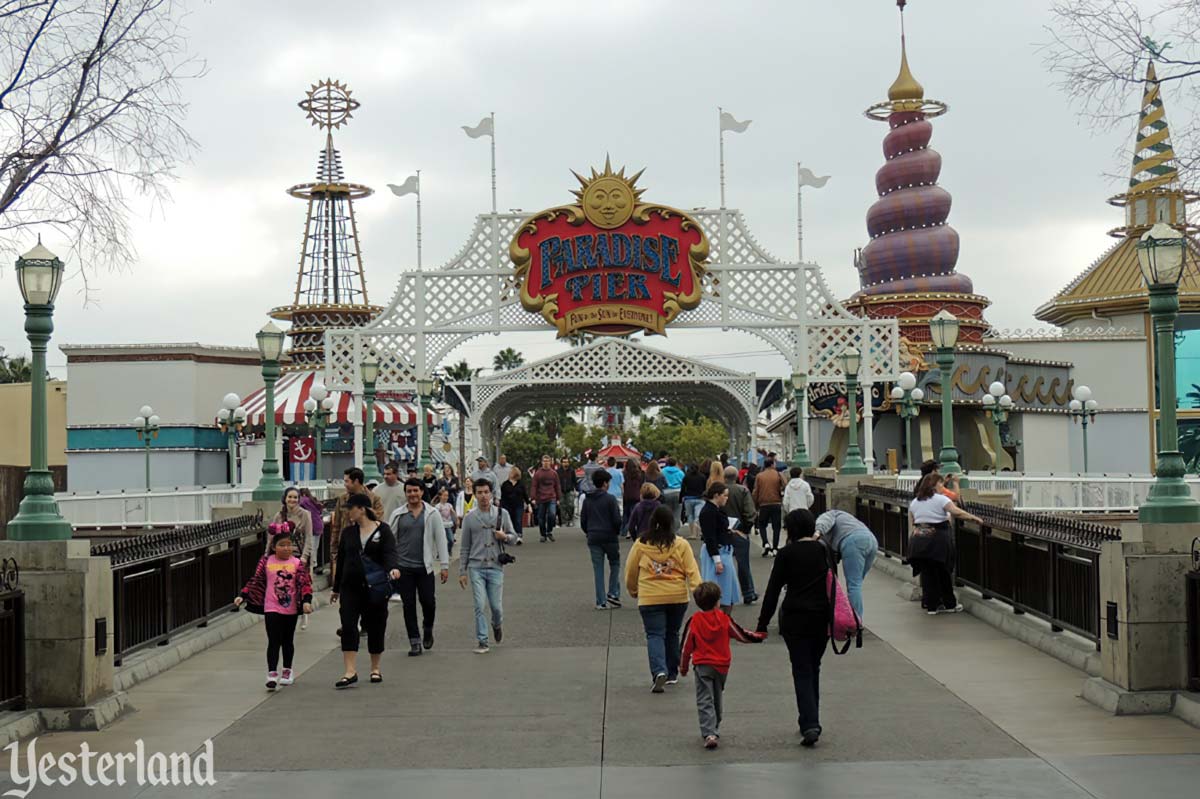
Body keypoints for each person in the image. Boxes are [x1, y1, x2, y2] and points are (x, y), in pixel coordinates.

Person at [755, 509, 832, 747]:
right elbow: (834, 584)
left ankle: (809, 723)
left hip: (795, 617)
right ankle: (811, 718)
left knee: (801, 669)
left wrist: (762, 624)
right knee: (814, 666)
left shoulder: (786, 554)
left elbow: (773, 589)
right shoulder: (824, 551)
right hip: (821, 616)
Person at [625, 505, 702, 693]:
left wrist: (633, 590)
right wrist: (698, 592)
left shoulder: (641, 544)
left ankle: (659, 671)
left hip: (650, 595)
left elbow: (631, 570)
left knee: (654, 634)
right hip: (676, 595)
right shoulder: (681, 544)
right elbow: (692, 570)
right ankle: (672, 672)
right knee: (672, 633)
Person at [680, 581, 764, 748]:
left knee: (704, 698)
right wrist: (758, 636)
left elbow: (686, 646)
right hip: (722, 665)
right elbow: (740, 634)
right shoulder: (724, 619)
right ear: (718, 601)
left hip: (703, 664)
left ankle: (709, 732)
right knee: (717, 697)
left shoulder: (695, 621)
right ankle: (715, 725)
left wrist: (683, 666)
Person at [331, 492, 400, 687]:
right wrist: (336, 588)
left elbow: (390, 553)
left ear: (362, 509)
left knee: (376, 625)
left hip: (375, 587)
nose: (348, 514)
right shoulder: (348, 533)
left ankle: (375, 668)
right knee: (349, 626)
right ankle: (350, 671)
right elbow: (342, 560)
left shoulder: (383, 530)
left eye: (350, 509)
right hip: (350, 587)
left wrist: (393, 568)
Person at [235, 524, 313, 690]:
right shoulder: (266, 562)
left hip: (290, 608)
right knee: (273, 640)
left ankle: (287, 670)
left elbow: (305, 584)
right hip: (271, 607)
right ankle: (271, 673)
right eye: (282, 545)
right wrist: (243, 595)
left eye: (289, 545)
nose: (286, 548)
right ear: (273, 547)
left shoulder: (298, 563)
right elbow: (256, 580)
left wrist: (306, 601)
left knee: (287, 640)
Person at [386, 477, 450, 656]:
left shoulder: (431, 513)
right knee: (408, 605)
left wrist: (444, 565)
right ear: (405, 493)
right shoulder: (398, 514)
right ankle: (414, 641)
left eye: (416, 491)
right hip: (403, 567)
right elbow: (389, 539)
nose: (412, 494)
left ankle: (427, 628)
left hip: (425, 567)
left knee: (428, 602)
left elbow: (441, 539)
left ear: (422, 492)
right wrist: (389, 563)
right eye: (409, 491)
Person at [457, 479, 518, 654]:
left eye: (486, 492)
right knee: (479, 604)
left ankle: (496, 624)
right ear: (475, 495)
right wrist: (462, 571)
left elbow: (514, 538)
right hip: (476, 566)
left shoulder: (501, 514)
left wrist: (504, 536)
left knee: (496, 607)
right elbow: (464, 547)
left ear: (491, 493)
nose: (483, 496)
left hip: (495, 566)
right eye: (480, 492)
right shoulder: (469, 518)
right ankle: (482, 640)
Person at [908, 473, 981, 615]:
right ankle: (949, 604)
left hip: (919, 540)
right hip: (937, 539)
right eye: (941, 484)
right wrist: (974, 518)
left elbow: (912, 521)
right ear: (934, 485)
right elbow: (956, 512)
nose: (942, 487)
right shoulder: (940, 499)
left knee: (928, 573)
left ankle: (931, 606)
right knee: (943, 571)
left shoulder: (915, 501)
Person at [814, 509, 879, 620]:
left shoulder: (830, 514)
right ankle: (853, 615)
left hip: (852, 541)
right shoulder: (847, 518)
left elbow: (824, 521)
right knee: (857, 583)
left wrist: (816, 535)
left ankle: (856, 621)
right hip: (871, 541)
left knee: (854, 585)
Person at [329, 467, 385, 588]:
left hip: (367, 551)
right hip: (347, 550)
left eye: (347, 481)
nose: (345, 485)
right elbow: (336, 526)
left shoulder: (374, 499)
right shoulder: (342, 499)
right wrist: (334, 551)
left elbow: (378, 522)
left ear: (356, 481)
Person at [581, 469, 623, 610]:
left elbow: (583, 521)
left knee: (598, 569)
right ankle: (613, 592)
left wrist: (589, 531)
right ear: (605, 483)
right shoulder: (610, 499)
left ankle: (600, 601)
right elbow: (617, 520)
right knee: (615, 564)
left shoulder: (587, 500)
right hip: (609, 536)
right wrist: (616, 531)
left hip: (593, 536)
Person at [698, 483, 741, 611]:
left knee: (728, 593)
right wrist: (717, 561)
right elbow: (710, 537)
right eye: (725, 496)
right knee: (717, 594)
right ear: (716, 495)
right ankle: (717, 622)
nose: (726, 498)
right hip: (717, 553)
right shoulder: (708, 512)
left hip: (724, 551)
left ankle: (724, 622)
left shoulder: (716, 509)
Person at [723, 465, 758, 605]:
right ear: (737, 476)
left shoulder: (719, 491)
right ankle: (748, 592)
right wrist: (746, 527)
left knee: (723, 564)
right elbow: (750, 512)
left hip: (722, 531)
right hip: (739, 531)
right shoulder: (742, 490)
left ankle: (725, 593)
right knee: (743, 564)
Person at [752, 456, 785, 556]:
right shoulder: (778, 475)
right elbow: (785, 485)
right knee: (776, 526)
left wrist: (755, 503)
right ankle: (775, 547)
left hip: (764, 504)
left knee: (762, 524)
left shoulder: (759, 476)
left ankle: (766, 543)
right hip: (776, 503)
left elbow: (755, 491)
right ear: (772, 464)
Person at [531, 454, 562, 543]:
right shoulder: (537, 474)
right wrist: (533, 497)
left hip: (552, 497)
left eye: (547, 461)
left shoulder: (554, 473)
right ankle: (543, 534)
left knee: (552, 514)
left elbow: (557, 486)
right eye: (544, 461)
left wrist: (558, 498)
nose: (546, 463)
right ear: (542, 462)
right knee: (541, 517)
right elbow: (534, 486)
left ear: (550, 462)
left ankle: (549, 531)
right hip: (540, 498)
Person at [297, 488, 325, 574]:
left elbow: (298, 506)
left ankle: (311, 568)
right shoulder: (313, 500)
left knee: (310, 547)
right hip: (319, 525)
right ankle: (315, 565)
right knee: (315, 547)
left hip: (312, 526)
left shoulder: (304, 500)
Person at [500, 465, 530, 544]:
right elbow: (502, 496)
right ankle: (508, 536)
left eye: (511, 472)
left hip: (518, 505)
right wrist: (501, 506)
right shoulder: (505, 484)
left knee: (518, 520)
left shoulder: (521, 484)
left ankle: (519, 536)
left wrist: (529, 504)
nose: (510, 473)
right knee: (509, 521)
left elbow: (525, 495)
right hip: (507, 505)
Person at [681, 464, 707, 538]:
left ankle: (693, 533)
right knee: (698, 516)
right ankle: (698, 531)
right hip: (700, 498)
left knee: (690, 516)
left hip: (688, 498)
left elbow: (683, 488)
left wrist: (681, 498)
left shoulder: (686, 477)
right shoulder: (702, 477)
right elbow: (705, 488)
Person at [621, 458, 644, 538]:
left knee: (626, 514)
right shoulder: (639, 474)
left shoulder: (624, 474)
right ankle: (630, 530)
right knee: (633, 514)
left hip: (627, 496)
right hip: (637, 495)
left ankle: (624, 530)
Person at [660, 457, 684, 533]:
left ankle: (667, 529)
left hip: (666, 492)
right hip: (678, 492)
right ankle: (675, 531)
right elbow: (683, 483)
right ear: (675, 463)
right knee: (677, 513)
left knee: (667, 512)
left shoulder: (662, 471)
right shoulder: (680, 472)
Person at [556, 456, 578, 526]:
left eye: (567, 462)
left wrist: (576, 490)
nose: (566, 463)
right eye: (564, 462)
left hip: (569, 490)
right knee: (562, 506)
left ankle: (570, 519)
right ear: (561, 463)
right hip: (561, 491)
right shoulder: (558, 471)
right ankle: (564, 521)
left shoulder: (571, 471)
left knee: (570, 505)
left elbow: (575, 481)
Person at [435, 487, 457, 554]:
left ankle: (449, 550)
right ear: (440, 496)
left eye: (447, 495)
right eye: (444, 495)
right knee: (441, 540)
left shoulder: (449, 505)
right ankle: (440, 553)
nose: (446, 497)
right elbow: (435, 516)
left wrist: (457, 520)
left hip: (448, 525)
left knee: (451, 540)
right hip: (441, 526)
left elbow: (453, 513)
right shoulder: (438, 506)